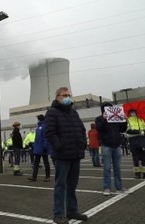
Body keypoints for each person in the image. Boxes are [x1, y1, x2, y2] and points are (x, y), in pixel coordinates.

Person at [45, 87, 88, 224]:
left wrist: (82, 144)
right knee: (60, 185)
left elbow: (82, 129)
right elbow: (50, 132)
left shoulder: (73, 112)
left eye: (69, 95)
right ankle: (58, 214)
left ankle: (72, 211)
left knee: (72, 185)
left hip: (75, 154)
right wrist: (60, 146)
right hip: (63, 155)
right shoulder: (52, 112)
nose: (67, 97)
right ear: (58, 97)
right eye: (64, 95)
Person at [95, 102, 128, 196]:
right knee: (107, 168)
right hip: (106, 146)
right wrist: (104, 119)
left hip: (117, 145)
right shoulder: (99, 119)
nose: (109, 110)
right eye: (107, 108)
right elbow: (99, 128)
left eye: (110, 108)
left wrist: (124, 120)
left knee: (117, 168)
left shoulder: (115, 118)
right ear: (103, 110)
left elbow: (122, 129)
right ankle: (106, 187)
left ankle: (119, 187)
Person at [126, 109, 145, 179]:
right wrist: (138, 133)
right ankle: (137, 174)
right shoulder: (128, 121)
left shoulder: (141, 120)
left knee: (144, 158)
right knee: (135, 159)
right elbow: (127, 133)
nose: (133, 113)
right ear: (129, 113)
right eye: (131, 112)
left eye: (134, 112)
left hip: (143, 142)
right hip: (133, 143)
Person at [28, 114, 51, 182]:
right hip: (38, 148)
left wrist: (45, 146)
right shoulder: (39, 127)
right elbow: (37, 138)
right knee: (36, 163)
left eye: (37, 119)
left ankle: (47, 176)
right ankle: (34, 177)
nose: (37, 120)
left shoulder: (44, 126)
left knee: (46, 162)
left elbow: (46, 137)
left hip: (43, 148)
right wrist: (34, 145)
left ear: (40, 119)